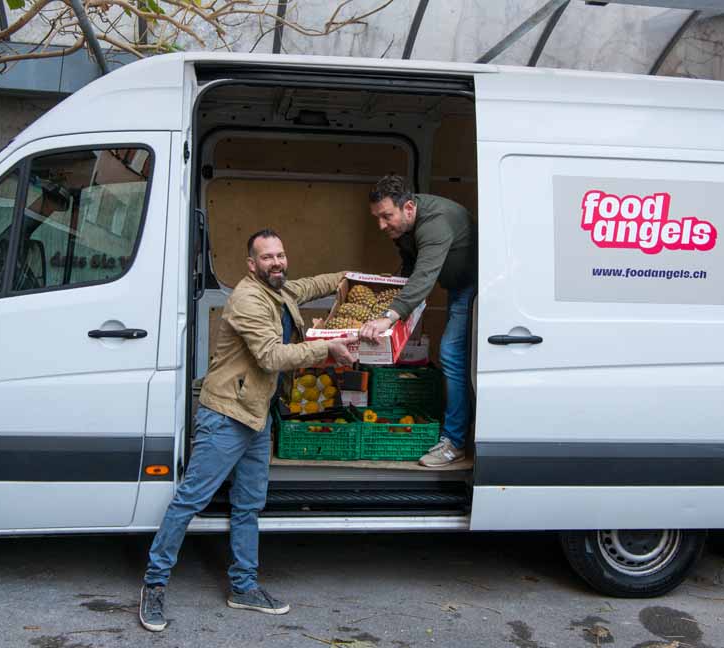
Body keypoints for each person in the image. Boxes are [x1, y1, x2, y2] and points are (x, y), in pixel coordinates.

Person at [139, 229, 356, 632]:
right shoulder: (247, 299)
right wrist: (328, 348)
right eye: (267, 257)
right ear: (251, 265)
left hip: (256, 415)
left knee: (248, 505)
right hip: (227, 415)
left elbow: (311, 285)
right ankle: (154, 584)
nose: (277, 262)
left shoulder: (281, 290)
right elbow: (271, 356)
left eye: (281, 254)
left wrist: (350, 278)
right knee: (190, 501)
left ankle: (243, 587)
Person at [359, 175, 476, 468]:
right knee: (450, 353)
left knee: (451, 353)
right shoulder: (404, 228)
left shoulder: (434, 223)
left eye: (387, 216)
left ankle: (455, 443)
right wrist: (394, 295)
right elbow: (410, 269)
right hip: (454, 285)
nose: (381, 225)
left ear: (409, 207)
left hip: (471, 285)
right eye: (377, 218)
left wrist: (389, 317)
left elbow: (424, 276)